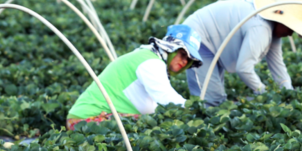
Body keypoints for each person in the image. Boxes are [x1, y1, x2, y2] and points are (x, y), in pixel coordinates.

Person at [182, 0, 302, 106]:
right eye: (291, 28)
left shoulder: (272, 29)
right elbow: (243, 68)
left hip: (213, 39)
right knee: (210, 99)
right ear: (280, 20)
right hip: (197, 37)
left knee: (215, 98)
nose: (291, 34)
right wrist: (264, 93)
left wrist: (288, 93)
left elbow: (277, 65)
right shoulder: (260, 28)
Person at [66, 24, 203, 130]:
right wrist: (197, 111)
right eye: (182, 54)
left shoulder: (150, 57)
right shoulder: (151, 62)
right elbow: (166, 98)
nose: (185, 61)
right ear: (171, 48)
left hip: (88, 118)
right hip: (86, 120)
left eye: (189, 59)